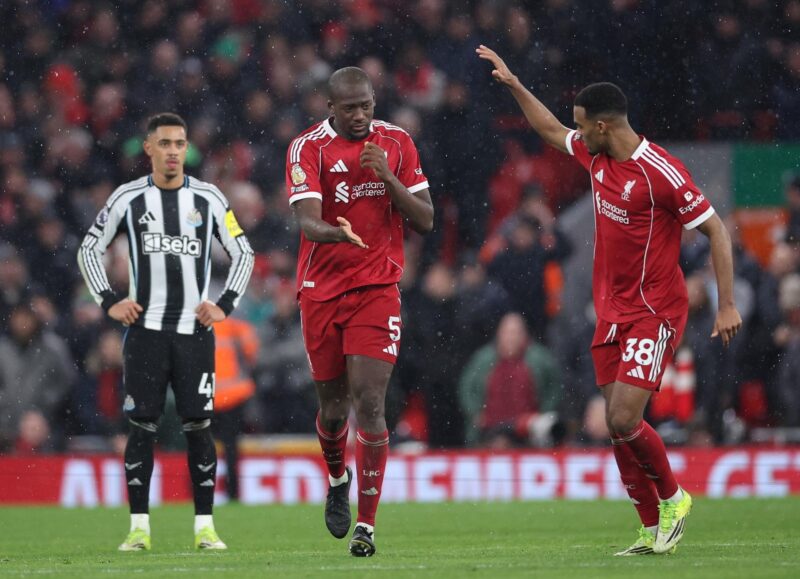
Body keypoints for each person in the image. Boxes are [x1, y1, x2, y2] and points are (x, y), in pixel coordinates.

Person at [477, 46, 742, 556]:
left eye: (582, 122)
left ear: (602, 126)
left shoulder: (660, 172)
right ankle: (650, 528)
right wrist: (513, 83)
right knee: (619, 428)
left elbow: (717, 232)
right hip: (612, 311)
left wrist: (725, 303)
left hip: (656, 310)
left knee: (622, 419)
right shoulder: (595, 153)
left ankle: (674, 497)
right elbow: (551, 130)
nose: (573, 130)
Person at [77, 112, 254, 552]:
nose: (174, 151)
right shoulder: (128, 198)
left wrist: (224, 304)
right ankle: (139, 528)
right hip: (145, 333)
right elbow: (88, 250)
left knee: (199, 427)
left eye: (180, 143)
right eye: (166, 143)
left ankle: (205, 529)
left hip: (194, 333)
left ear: (186, 148)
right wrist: (108, 301)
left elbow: (243, 252)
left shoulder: (209, 198)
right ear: (149, 148)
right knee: (141, 428)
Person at [286, 66, 433, 556]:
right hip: (321, 291)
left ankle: (366, 527)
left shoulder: (396, 143)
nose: (360, 115)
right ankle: (336, 476)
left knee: (370, 402)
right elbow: (308, 222)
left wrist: (387, 176)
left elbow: (426, 219)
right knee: (332, 411)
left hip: (377, 289)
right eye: (349, 108)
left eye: (366, 105)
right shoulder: (308, 148)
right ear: (331, 108)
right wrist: (338, 233)